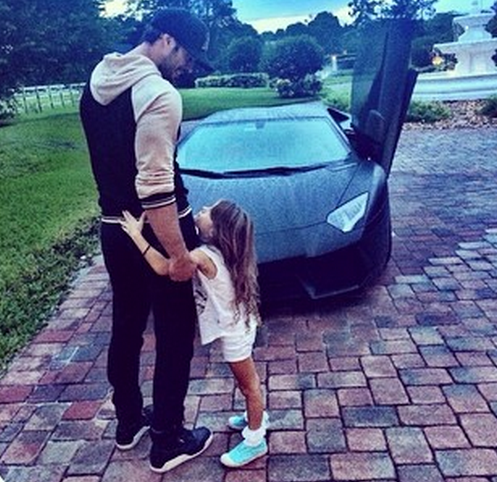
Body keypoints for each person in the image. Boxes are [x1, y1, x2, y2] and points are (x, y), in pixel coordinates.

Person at [79, 8, 213, 473]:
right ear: (167, 41)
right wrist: (178, 255)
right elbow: (154, 186)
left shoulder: (96, 82)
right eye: (188, 56)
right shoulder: (158, 93)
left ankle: (129, 421)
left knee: (127, 324)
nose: (188, 68)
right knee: (175, 333)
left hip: (115, 229)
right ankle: (168, 440)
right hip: (159, 231)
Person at [120, 200, 270, 468]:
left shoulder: (204, 256)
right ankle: (253, 416)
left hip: (235, 333)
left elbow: (166, 268)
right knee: (247, 384)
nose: (202, 209)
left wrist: (136, 235)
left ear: (215, 230)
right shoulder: (224, 251)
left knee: (250, 386)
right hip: (240, 324)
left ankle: (256, 439)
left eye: (209, 211)